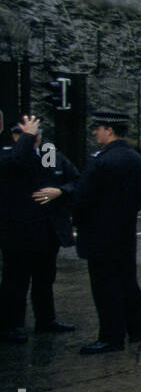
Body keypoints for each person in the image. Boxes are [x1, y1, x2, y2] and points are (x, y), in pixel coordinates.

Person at [36, 109, 141, 355]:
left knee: (105, 285)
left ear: (109, 130)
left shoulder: (101, 161)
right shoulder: (139, 160)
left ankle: (111, 337)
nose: (95, 132)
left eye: (98, 128)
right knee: (127, 279)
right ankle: (137, 327)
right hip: (125, 231)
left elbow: (82, 197)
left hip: (99, 232)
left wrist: (77, 217)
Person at [0, 116, 79, 343]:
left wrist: (61, 191)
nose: (35, 139)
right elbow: (17, 162)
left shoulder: (49, 154)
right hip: (18, 232)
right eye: (26, 134)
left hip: (47, 230)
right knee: (15, 281)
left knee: (45, 279)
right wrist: (25, 139)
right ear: (15, 135)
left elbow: (74, 178)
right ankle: (10, 325)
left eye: (37, 134)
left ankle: (46, 320)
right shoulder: (9, 155)